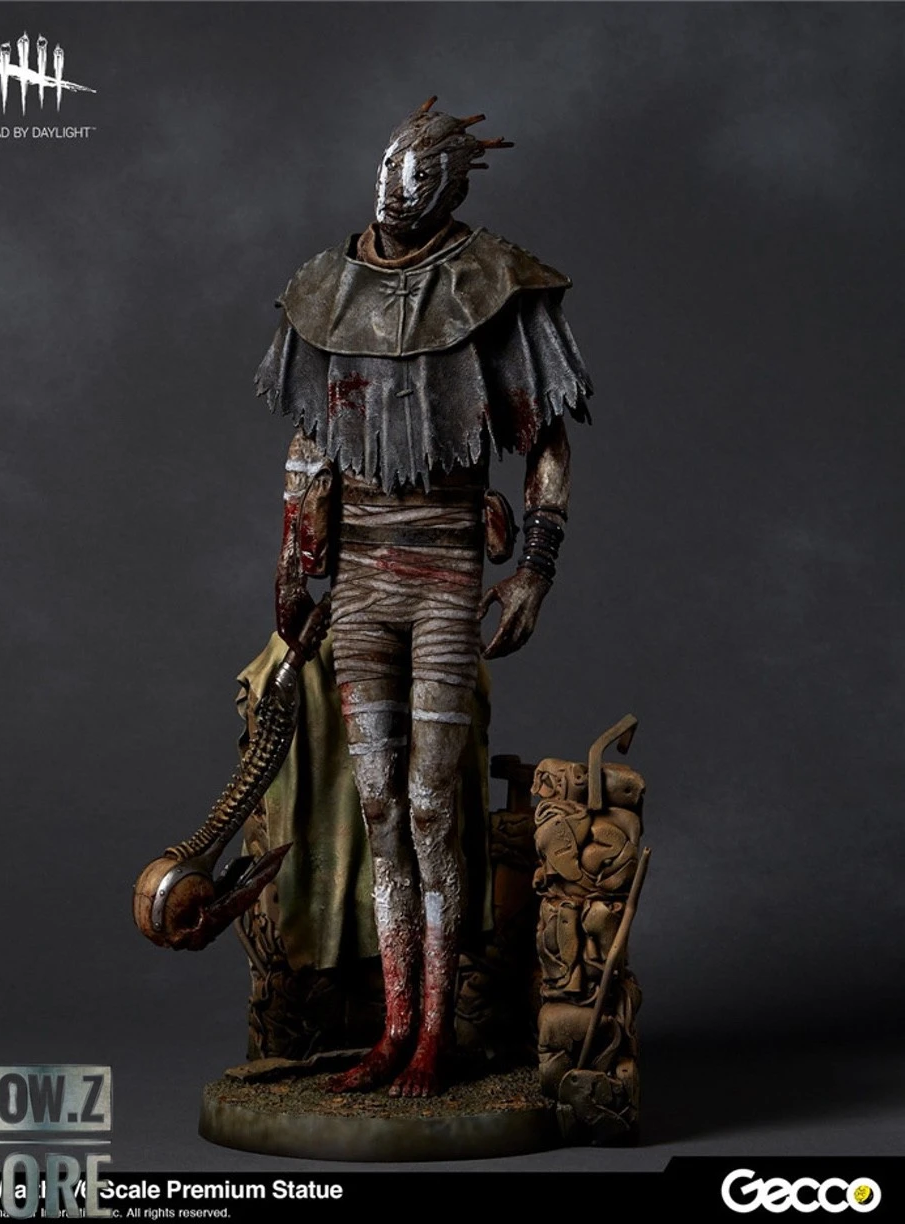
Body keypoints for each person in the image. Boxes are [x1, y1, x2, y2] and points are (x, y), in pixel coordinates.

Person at [256, 97, 593, 1097]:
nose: (399, 197)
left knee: (433, 805)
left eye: (419, 180)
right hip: (361, 575)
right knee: (378, 806)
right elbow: (311, 437)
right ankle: (394, 1027)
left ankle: (437, 1030)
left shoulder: (493, 283)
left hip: (446, 572)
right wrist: (294, 559)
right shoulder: (327, 288)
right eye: (391, 176)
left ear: (448, 185)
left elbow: (545, 438)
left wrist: (534, 566)